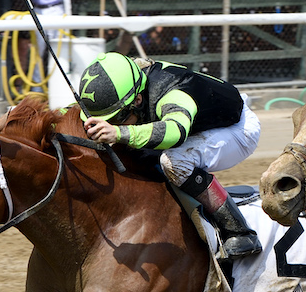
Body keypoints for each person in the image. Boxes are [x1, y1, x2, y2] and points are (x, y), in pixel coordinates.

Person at [79, 52, 264, 259]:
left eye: (118, 119)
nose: (114, 125)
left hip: (236, 129)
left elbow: (175, 132)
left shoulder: (173, 93)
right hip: (195, 121)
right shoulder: (131, 90)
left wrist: (120, 133)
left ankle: (239, 231)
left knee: (174, 161)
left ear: (138, 100)